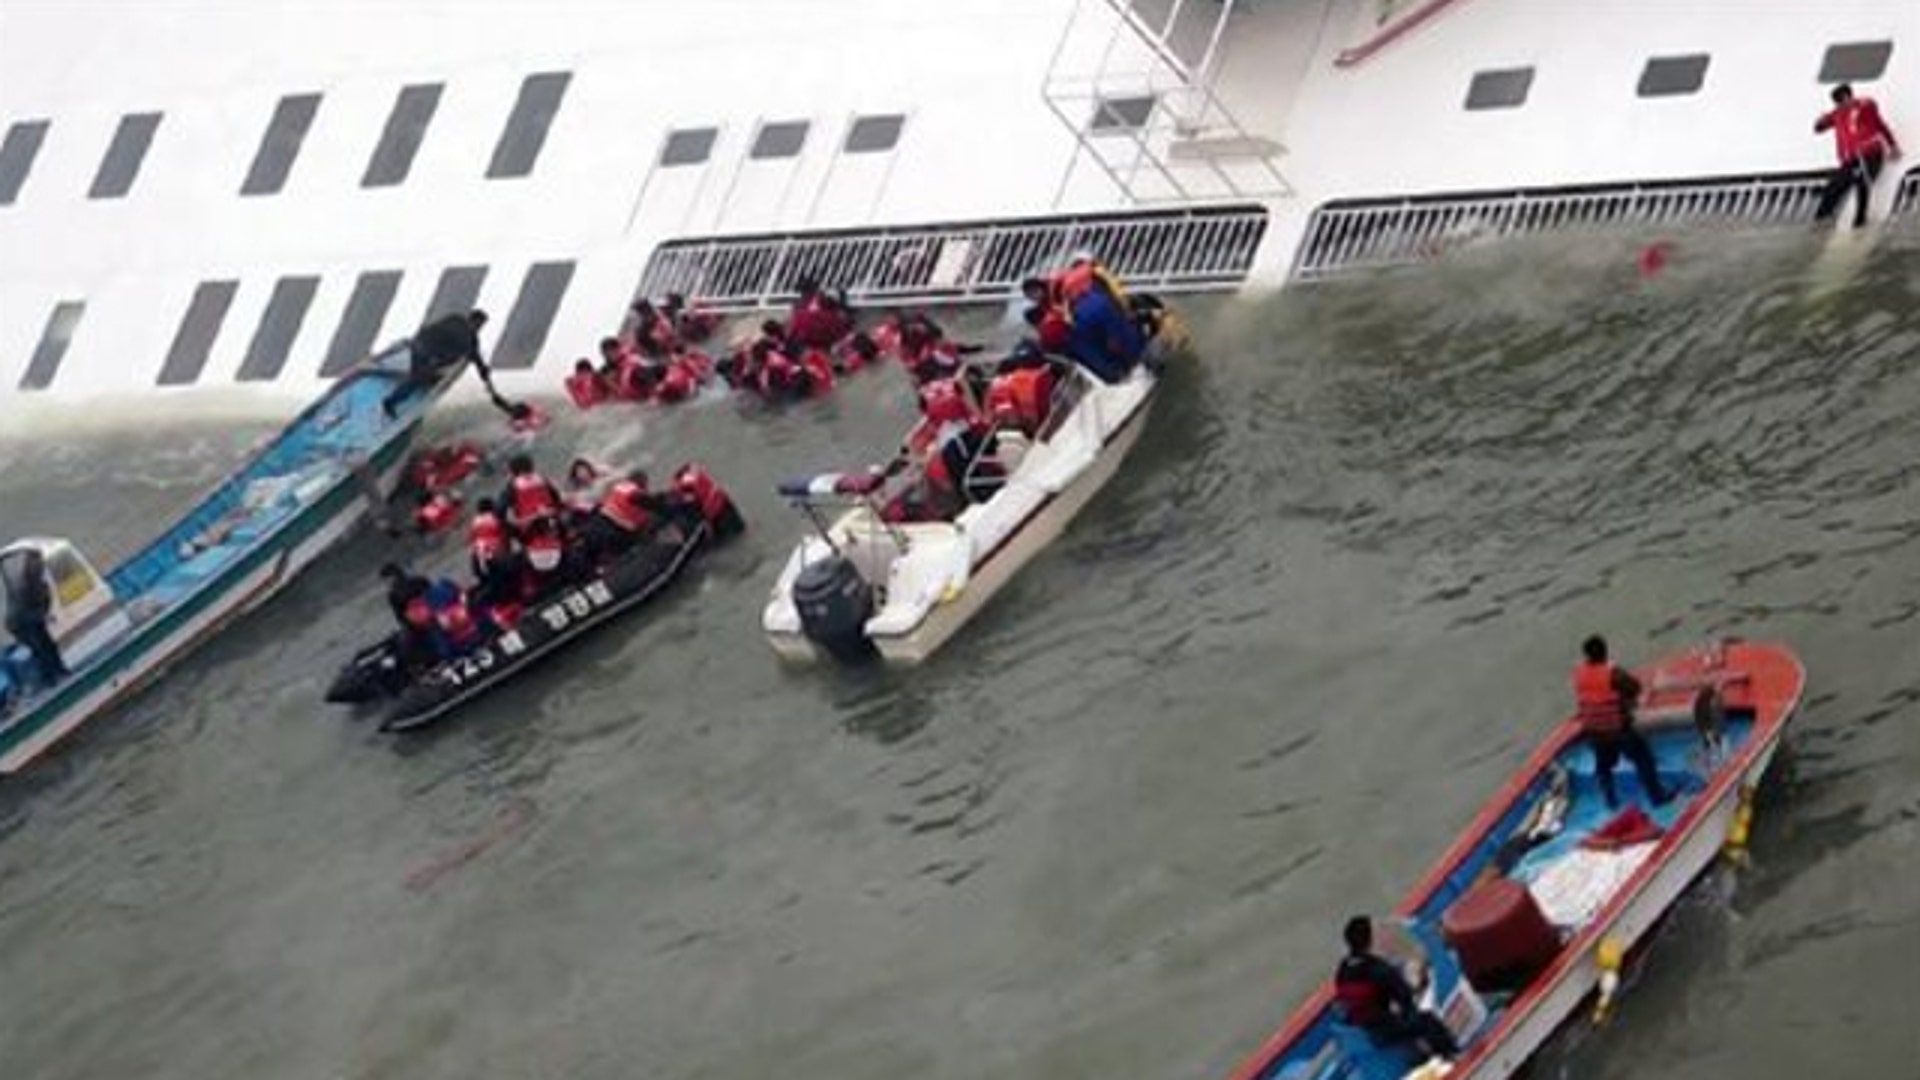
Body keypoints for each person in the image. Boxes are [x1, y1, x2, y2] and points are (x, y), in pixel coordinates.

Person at [1334, 916, 1459, 1062]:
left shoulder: (1343, 970)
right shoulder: (1379, 969)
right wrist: (1419, 983)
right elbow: (1406, 999)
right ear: (1369, 940)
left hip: (1362, 1030)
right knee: (1428, 1021)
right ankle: (1450, 1056)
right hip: (1384, 1031)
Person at [1573, 635, 1673, 808]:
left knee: (1604, 766)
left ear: (1586, 655)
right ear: (1605, 651)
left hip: (1593, 731)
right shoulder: (1613, 673)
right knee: (1644, 758)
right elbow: (1635, 687)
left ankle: (1610, 800)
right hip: (1617, 729)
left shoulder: (1579, 673)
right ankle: (1657, 797)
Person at [1814, 83, 1902, 229]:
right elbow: (1818, 128)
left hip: (1870, 154)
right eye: (1836, 103)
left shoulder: (1865, 106)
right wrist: (1820, 121)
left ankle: (1860, 220)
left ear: (1847, 97)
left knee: (1862, 181)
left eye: (1840, 101)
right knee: (1834, 186)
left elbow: (1880, 125)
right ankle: (1821, 219)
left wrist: (1892, 145)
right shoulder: (1837, 114)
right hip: (1851, 158)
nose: (1838, 105)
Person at [382, 309, 492, 418]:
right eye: (479, 325)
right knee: (417, 380)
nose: (479, 328)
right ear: (473, 320)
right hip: (426, 352)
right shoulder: (466, 335)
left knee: (421, 375)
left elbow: (476, 356)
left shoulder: (456, 319)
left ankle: (418, 381)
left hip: (419, 345)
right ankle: (390, 402)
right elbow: (472, 353)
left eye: (481, 326)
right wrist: (483, 372)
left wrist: (483, 372)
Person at [4, 548, 68, 686]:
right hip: (20, 623)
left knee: (48, 644)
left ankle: (60, 671)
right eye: (38, 564)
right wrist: (42, 616)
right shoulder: (21, 587)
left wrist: (44, 614)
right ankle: (49, 679)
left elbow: (44, 602)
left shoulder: (39, 584)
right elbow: (23, 612)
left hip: (32, 618)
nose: (41, 567)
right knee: (39, 648)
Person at [500, 454, 563, 534]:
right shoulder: (544, 480)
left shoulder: (511, 487)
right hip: (551, 522)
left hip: (529, 529)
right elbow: (557, 499)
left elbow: (500, 510)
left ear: (513, 471)